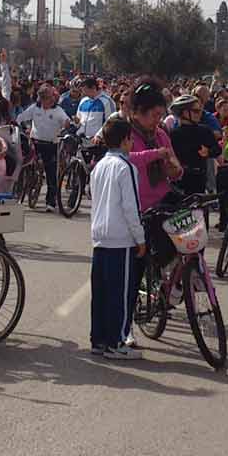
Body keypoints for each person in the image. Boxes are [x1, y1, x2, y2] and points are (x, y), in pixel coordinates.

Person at [88, 116, 145, 359]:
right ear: (124, 141)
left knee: (100, 293)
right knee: (119, 295)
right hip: (120, 238)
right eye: (131, 139)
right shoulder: (126, 167)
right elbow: (131, 207)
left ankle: (99, 339)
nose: (132, 143)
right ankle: (117, 342)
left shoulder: (99, 165)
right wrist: (140, 238)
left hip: (99, 236)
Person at [126, 83, 185, 214]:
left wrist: (174, 171)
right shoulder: (124, 135)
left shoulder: (161, 135)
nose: (158, 120)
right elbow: (123, 160)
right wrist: (155, 154)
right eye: (154, 115)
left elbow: (176, 169)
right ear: (138, 112)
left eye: (161, 115)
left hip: (161, 206)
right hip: (135, 209)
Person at [16, 83, 73, 207]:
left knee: (51, 173)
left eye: (47, 98)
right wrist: (16, 124)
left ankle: (50, 202)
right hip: (35, 142)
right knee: (24, 163)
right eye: (42, 98)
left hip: (51, 145)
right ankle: (27, 184)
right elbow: (21, 117)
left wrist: (69, 124)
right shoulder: (34, 108)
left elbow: (66, 121)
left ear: (52, 98)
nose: (44, 101)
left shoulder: (58, 110)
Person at [166, 94, 219, 194]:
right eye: (196, 111)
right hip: (179, 183)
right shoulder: (173, 134)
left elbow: (217, 150)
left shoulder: (205, 131)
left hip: (201, 181)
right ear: (184, 113)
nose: (200, 114)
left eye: (200, 111)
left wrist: (208, 152)